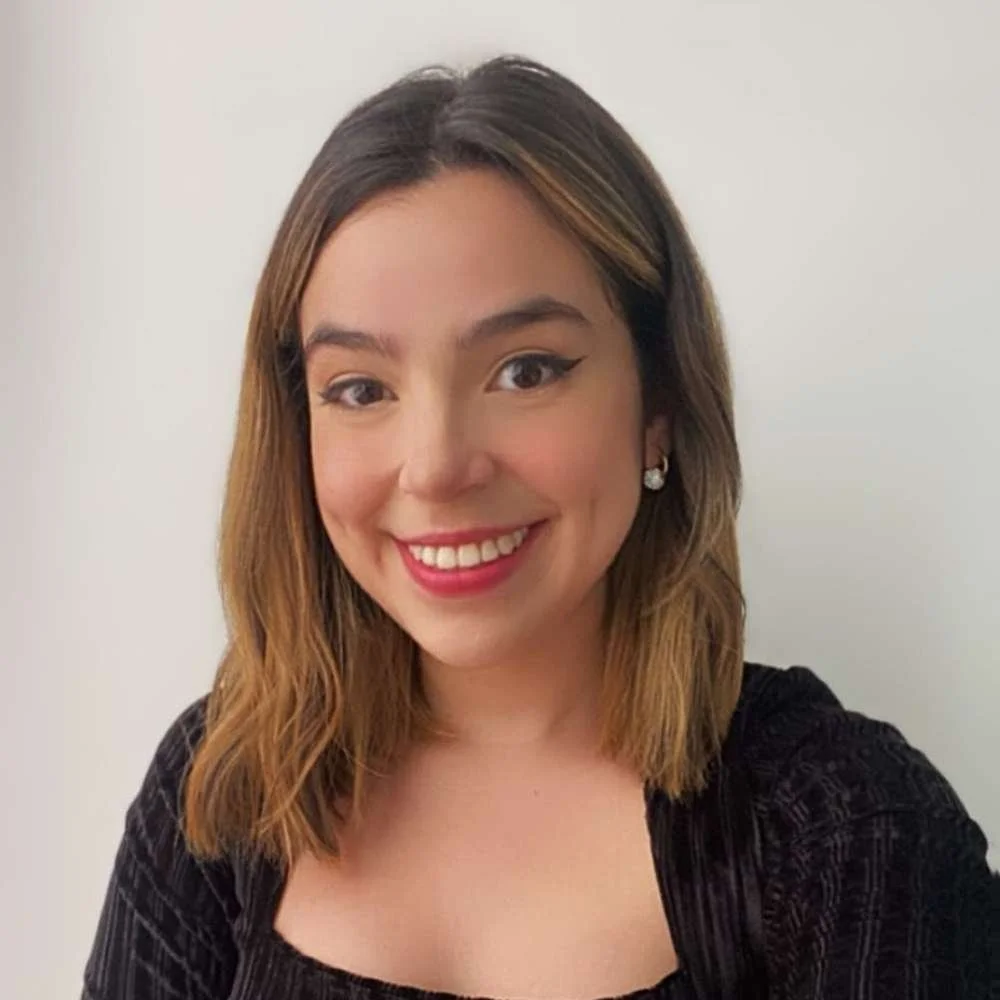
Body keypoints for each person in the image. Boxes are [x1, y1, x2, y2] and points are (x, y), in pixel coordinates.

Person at [80, 55, 998, 1000]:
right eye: (360, 389)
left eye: (525, 370)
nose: (435, 466)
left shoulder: (849, 828)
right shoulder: (221, 790)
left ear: (661, 403)